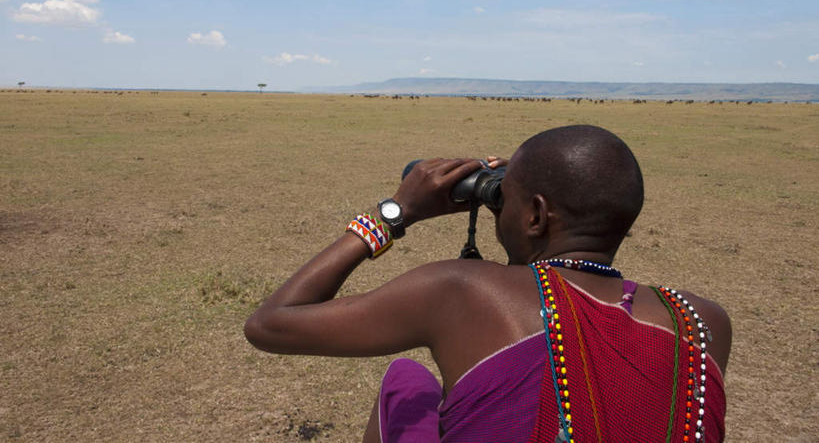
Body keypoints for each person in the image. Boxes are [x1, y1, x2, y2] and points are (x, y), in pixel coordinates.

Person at [244, 125, 731, 442]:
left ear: (536, 215)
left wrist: (393, 214)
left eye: (505, 200)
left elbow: (270, 324)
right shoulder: (704, 322)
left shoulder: (463, 291)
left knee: (405, 383)